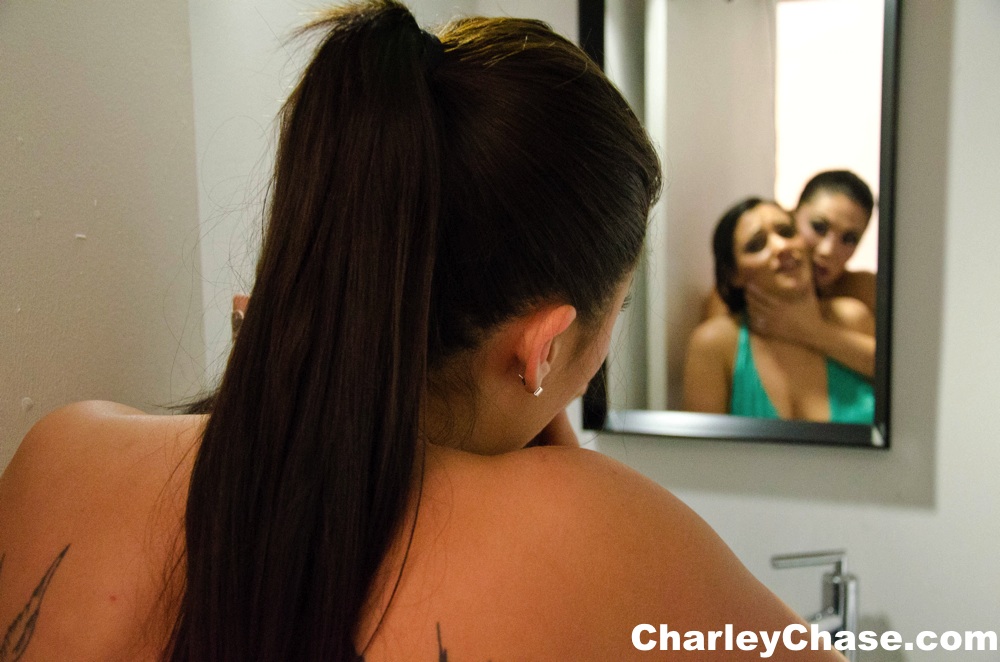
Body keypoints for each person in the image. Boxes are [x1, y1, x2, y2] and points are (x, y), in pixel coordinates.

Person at [0, 3, 847, 660]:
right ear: (544, 344)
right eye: (614, 315)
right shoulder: (606, 539)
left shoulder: (62, 453)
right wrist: (568, 481)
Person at [684, 197, 874, 422]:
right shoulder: (715, 343)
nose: (781, 246)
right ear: (733, 274)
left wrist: (808, 329)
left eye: (786, 232)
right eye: (756, 245)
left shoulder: (852, 317)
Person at [702, 170, 877, 377]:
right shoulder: (734, 296)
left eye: (849, 239)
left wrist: (805, 328)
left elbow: (896, 371)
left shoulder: (862, 293)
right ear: (791, 217)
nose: (828, 250)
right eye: (819, 227)